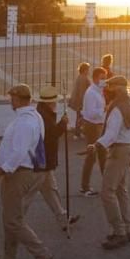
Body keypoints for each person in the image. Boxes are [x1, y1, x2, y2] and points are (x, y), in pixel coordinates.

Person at [0, 83, 54, 259]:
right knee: (13, 218)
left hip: (18, 174)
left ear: (18, 99)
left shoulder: (25, 122)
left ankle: (43, 256)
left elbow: (19, 152)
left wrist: (0, 171)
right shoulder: (32, 117)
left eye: (11, 97)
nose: (10, 100)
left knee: (12, 221)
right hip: (25, 172)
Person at [92, 76, 130, 249]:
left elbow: (111, 135)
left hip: (118, 152)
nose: (105, 91)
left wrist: (95, 145)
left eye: (109, 88)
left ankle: (119, 233)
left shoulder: (117, 109)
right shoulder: (128, 104)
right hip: (125, 149)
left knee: (107, 192)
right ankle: (127, 228)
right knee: (120, 190)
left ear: (117, 89)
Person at [33, 86, 80, 232]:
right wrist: (63, 124)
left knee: (50, 190)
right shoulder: (44, 116)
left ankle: (63, 218)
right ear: (49, 103)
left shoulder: (44, 112)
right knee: (28, 195)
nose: (56, 104)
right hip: (42, 161)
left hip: (44, 161)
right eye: (54, 102)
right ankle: (15, 220)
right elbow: (51, 135)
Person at [80, 66, 109, 195]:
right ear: (96, 78)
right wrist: (104, 110)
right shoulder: (91, 93)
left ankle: (108, 184)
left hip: (98, 125)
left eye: (105, 78)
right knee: (92, 156)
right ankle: (84, 187)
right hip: (92, 126)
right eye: (102, 78)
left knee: (103, 155)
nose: (105, 80)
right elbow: (91, 113)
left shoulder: (98, 90)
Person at [68, 62, 91, 139]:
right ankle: (78, 133)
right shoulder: (83, 78)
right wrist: (83, 103)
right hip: (81, 102)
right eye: (88, 69)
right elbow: (82, 92)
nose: (89, 71)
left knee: (80, 117)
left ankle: (79, 132)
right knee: (80, 117)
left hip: (78, 101)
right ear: (84, 70)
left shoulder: (80, 77)